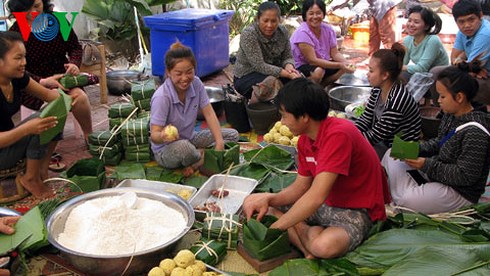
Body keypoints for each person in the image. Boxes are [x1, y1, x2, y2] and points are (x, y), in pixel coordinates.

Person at [242, 78, 390, 259]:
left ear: (304, 116)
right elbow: (300, 187)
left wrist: (277, 228)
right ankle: (305, 241)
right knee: (255, 202)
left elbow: (316, 195)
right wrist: (270, 199)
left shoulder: (338, 135)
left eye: (284, 115)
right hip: (327, 203)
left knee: (323, 247)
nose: (281, 122)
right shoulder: (305, 139)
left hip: (355, 209)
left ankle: (301, 235)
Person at [382, 66, 490, 214]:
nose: (438, 101)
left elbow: (465, 176)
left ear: (459, 97)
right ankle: (409, 193)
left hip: (458, 191)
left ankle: (405, 195)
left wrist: (426, 164)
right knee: (390, 154)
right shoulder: (451, 114)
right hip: (437, 175)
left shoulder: (476, 132)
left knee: (406, 202)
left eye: (442, 97)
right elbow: (440, 142)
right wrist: (415, 149)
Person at [0, 31, 77, 198]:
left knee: (54, 113)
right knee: (38, 122)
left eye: (24, 57)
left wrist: (65, 100)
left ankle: (41, 169)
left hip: (9, 143)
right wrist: (26, 129)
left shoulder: (17, 78)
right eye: (18, 58)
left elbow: (50, 96)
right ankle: (31, 177)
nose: (24, 63)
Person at [7, 0, 93, 140]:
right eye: (26, 9)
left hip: (62, 77)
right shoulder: (16, 32)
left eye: (36, 6)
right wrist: (43, 81)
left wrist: (74, 64)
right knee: (52, 105)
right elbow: (16, 69)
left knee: (80, 98)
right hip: (33, 82)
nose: (33, 12)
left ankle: (89, 136)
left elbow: (75, 47)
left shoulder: (58, 21)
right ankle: (46, 147)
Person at [150, 42, 239, 176]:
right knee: (185, 147)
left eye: (189, 72)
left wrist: (219, 142)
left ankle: (197, 160)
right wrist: (163, 136)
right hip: (166, 150)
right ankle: (201, 159)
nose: (185, 78)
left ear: (194, 69)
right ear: (168, 73)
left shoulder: (196, 84)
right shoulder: (162, 97)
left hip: (190, 138)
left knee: (232, 135)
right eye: (178, 73)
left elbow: (209, 113)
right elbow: (154, 135)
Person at [355, 43, 421, 158]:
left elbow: (375, 136)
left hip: (400, 151)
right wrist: (349, 131)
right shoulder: (377, 89)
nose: (367, 74)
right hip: (384, 142)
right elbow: (366, 118)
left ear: (385, 75)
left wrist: (347, 139)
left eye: (371, 71)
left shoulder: (397, 99)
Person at [233, 1, 301, 100]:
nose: (269, 25)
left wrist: (289, 67)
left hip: (275, 71)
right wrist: (287, 74)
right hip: (247, 75)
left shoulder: (283, 32)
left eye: (273, 21)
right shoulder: (249, 34)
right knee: (271, 84)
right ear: (258, 19)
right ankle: (253, 112)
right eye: (265, 21)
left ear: (279, 20)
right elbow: (259, 65)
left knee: (299, 81)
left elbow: (287, 56)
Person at [429, 0, 490, 108]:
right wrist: (466, 64)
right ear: (456, 21)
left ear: (480, 16)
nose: (467, 25)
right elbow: (454, 59)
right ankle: (442, 112)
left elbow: (468, 67)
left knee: (464, 85)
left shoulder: (486, 33)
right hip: (477, 73)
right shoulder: (463, 32)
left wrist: (465, 62)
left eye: (471, 19)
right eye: (461, 21)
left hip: (486, 77)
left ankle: (473, 118)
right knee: (435, 73)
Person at [290, 0, 355, 86]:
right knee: (319, 71)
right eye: (311, 13)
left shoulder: (328, 29)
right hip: (301, 66)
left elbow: (335, 53)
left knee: (344, 69)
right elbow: (313, 61)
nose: (315, 16)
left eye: (318, 13)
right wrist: (340, 64)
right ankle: (309, 90)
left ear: (323, 14)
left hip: (321, 64)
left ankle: (322, 87)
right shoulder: (302, 32)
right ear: (305, 16)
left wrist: (347, 63)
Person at [401, 5, 448, 82]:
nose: (411, 25)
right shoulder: (407, 40)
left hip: (439, 77)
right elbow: (403, 62)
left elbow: (422, 68)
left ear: (426, 26)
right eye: (409, 20)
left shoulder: (433, 40)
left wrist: (399, 67)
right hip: (423, 75)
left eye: (416, 22)